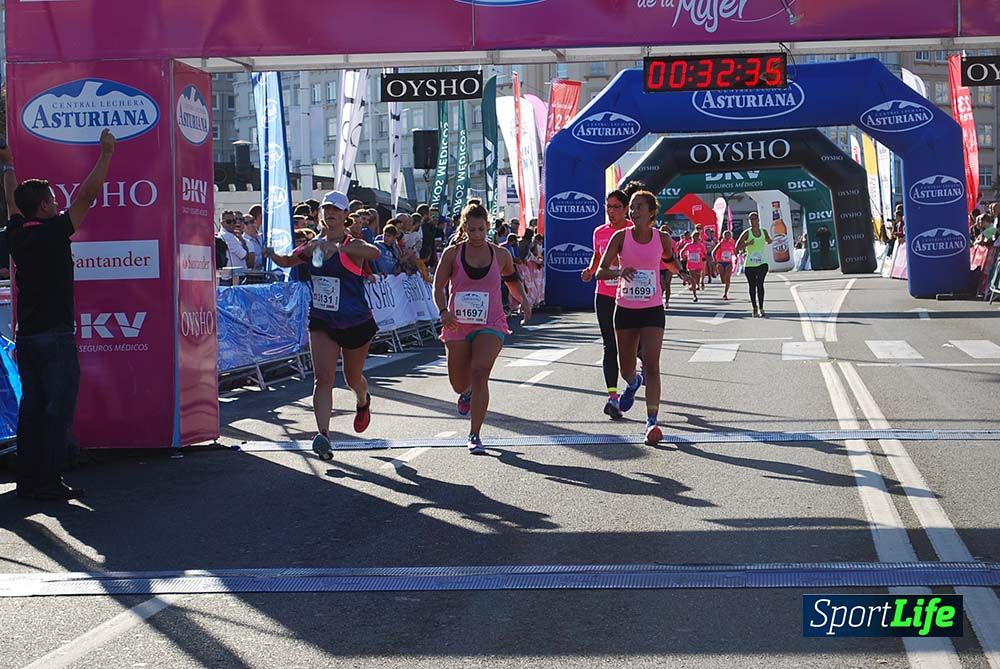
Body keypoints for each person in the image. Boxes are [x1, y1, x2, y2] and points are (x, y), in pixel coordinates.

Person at [4, 128, 116, 500]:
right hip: (54, 335)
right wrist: (105, 155)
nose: (58, 202)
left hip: (27, 336)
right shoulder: (54, 231)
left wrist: (7, 166)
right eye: (53, 199)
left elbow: (12, 200)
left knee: (32, 409)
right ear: (44, 207)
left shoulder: (17, 232)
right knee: (57, 410)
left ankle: (27, 482)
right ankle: (50, 481)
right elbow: (88, 195)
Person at [263, 190, 382, 460]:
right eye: (327, 208)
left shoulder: (353, 244)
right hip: (323, 320)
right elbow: (287, 260)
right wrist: (271, 253)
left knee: (352, 379)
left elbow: (374, 252)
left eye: (336, 209)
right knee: (323, 378)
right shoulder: (314, 245)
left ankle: (363, 400)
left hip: (355, 321)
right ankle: (324, 435)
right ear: (321, 214)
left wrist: (339, 248)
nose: (331, 213)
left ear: (345, 215)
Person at [434, 200, 531, 454]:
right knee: (458, 383)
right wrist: (443, 311)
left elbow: (512, 280)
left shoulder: (500, 255)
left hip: (491, 322)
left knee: (479, 372)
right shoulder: (453, 254)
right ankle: (465, 393)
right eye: (472, 230)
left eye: (481, 230)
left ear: (488, 227)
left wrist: (524, 301)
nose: (477, 235)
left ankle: (474, 434)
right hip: (457, 323)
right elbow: (438, 286)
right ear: (464, 228)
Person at [596, 190, 684, 446]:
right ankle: (633, 383)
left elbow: (670, 262)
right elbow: (601, 271)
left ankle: (651, 422)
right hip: (625, 308)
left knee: (652, 364)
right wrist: (620, 271)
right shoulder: (620, 237)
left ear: (651, 212)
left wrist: (683, 274)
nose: (634, 212)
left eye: (639, 207)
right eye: (632, 208)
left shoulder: (662, 238)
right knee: (626, 369)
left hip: (652, 308)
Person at [581, 189, 632, 419]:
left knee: (633, 347)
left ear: (626, 209)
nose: (611, 211)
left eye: (616, 207)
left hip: (629, 295)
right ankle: (612, 397)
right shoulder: (599, 232)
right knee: (609, 345)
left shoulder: (633, 230)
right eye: (608, 207)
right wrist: (591, 270)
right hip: (604, 294)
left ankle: (637, 379)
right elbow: (597, 255)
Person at [735, 212, 773, 318]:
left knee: (760, 284)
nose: (752, 221)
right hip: (750, 264)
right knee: (752, 286)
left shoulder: (763, 232)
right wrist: (748, 243)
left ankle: (761, 307)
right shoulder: (747, 233)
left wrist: (770, 240)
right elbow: (737, 247)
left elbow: (769, 240)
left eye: (754, 218)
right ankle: (754, 307)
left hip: (762, 263)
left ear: (758, 220)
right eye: (750, 219)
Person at [683, 231, 708, 302]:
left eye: (697, 236)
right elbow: (682, 251)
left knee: (697, 278)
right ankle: (694, 295)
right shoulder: (688, 245)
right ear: (692, 237)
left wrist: (705, 259)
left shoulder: (701, 245)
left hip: (699, 264)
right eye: (695, 236)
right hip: (690, 265)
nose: (696, 238)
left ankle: (695, 285)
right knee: (693, 279)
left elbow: (705, 253)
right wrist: (682, 257)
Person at [712, 230, 737, 300]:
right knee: (723, 280)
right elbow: (713, 252)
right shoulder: (721, 243)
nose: (728, 237)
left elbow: (735, 251)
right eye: (726, 235)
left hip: (729, 262)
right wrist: (715, 260)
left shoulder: (732, 243)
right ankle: (724, 284)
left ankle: (725, 294)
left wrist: (736, 258)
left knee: (728, 278)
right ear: (724, 236)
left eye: (729, 235)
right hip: (720, 262)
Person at [243, 205, 264, 270]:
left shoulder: (262, 238)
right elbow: (251, 261)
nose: (250, 225)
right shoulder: (243, 241)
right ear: (242, 226)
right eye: (246, 223)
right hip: (254, 274)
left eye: (252, 221)